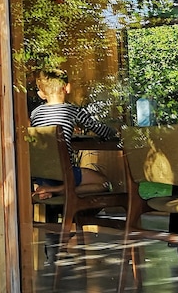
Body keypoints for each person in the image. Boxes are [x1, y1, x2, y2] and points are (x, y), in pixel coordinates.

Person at [29, 67, 117, 198]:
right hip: (65, 172)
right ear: (67, 88)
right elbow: (100, 129)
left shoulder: (35, 114)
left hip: (41, 174)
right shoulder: (72, 110)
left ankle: (48, 189)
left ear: (41, 94)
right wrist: (114, 132)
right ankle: (57, 190)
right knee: (104, 184)